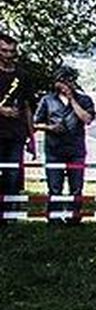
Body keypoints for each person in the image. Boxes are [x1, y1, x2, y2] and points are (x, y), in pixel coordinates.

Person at [32, 65, 95, 223]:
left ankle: (74, 217)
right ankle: (54, 217)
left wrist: (72, 99)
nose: (65, 84)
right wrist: (49, 127)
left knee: (76, 186)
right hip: (54, 148)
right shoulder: (47, 100)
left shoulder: (84, 100)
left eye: (69, 80)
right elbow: (36, 123)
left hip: (76, 149)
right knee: (54, 186)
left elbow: (87, 119)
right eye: (62, 80)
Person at [0, 31, 26, 224]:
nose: (8, 55)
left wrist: (32, 137)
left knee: (13, 174)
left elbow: (27, 107)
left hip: (16, 134)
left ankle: (10, 215)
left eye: (11, 51)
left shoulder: (22, 75)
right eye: (4, 51)